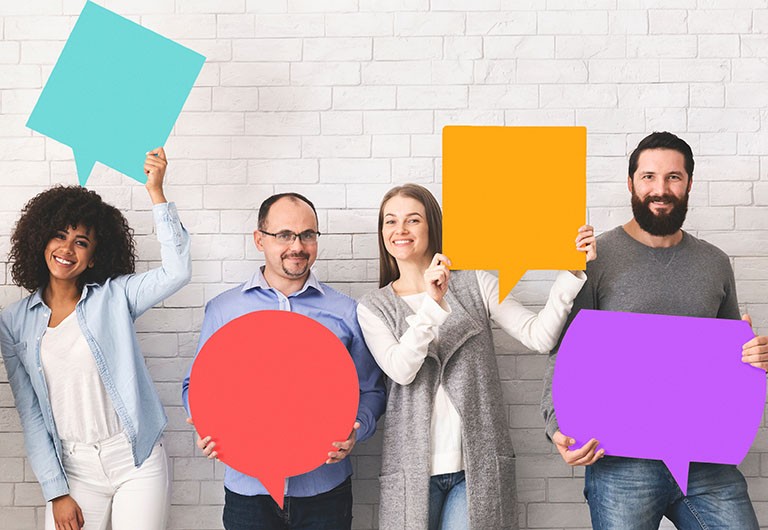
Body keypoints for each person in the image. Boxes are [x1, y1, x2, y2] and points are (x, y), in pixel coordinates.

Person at [541, 131, 768, 529]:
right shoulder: (594, 259)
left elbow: (735, 358)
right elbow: (566, 351)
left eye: (673, 178)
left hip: (706, 460)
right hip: (619, 460)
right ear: (630, 184)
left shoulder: (715, 263)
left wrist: (756, 359)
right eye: (648, 177)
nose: (660, 189)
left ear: (690, 183)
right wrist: (557, 426)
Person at [356, 183, 595, 530]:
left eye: (412, 220)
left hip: (477, 467)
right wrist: (431, 304)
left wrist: (570, 272)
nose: (400, 230)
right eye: (390, 221)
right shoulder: (373, 306)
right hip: (411, 472)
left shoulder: (475, 283)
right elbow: (402, 370)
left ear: (432, 227)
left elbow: (539, 336)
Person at [0, 148, 190, 530]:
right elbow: (32, 414)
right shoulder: (14, 323)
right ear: (41, 241)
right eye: (59, 236)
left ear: (93, 255)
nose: (67, 250)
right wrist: (56, 492)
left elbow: (177, 272)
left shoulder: (114, 297)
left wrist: (156, 192)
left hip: (135, 459)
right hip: (75, 469)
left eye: (81, 242)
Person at [181, 192, 386, 530]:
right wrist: (205, 420)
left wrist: (357, 428)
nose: (297, 245)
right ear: (259, 239)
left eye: (307, 235)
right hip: (248, 494)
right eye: (284, 235)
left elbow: (371, 391)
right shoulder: (223, 309)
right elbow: (196, 384)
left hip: (325, 493)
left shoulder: (346, 311)